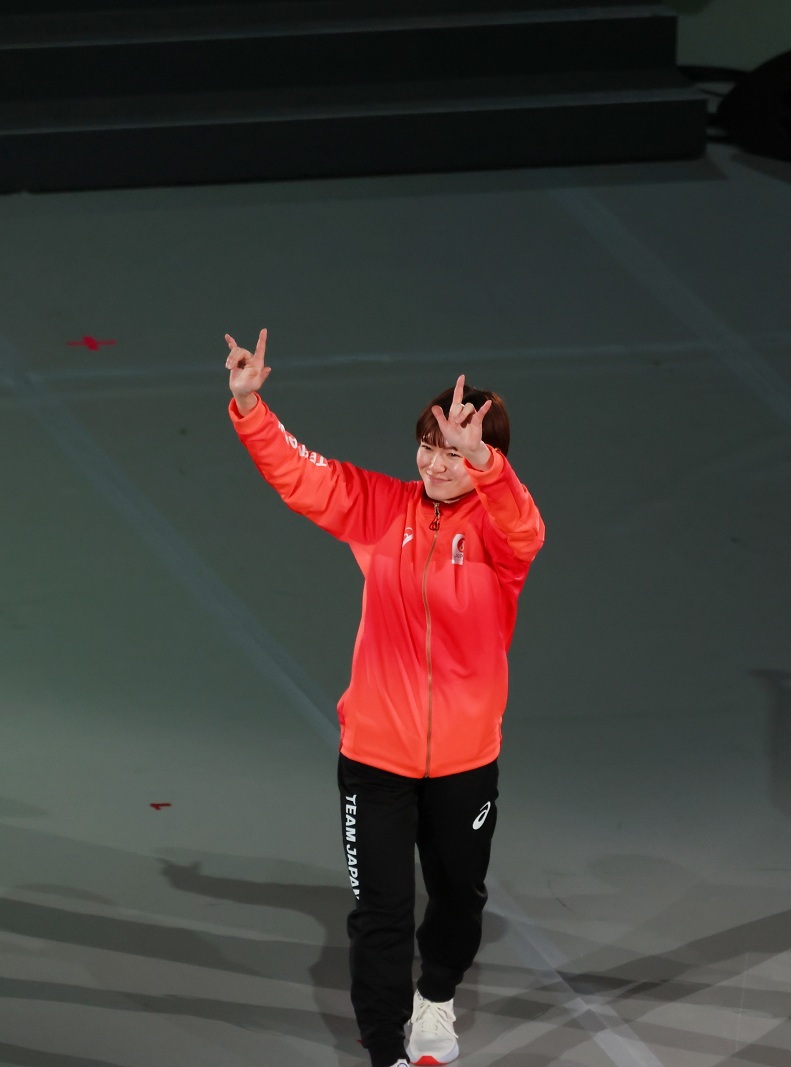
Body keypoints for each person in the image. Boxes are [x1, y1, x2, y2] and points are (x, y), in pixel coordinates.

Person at [225, 329, 546, 1067]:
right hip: (374, 755)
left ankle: (436, 997)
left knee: (460, 900)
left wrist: (484, 462)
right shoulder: (379, 508)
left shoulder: (501, 538)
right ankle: (384, 1051)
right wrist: (250, 405)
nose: (436, 462)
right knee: (382, 915)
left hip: (466, 760)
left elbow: (526, 522)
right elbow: (303, 476)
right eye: (428, 443)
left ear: (483, 458)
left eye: (454, 448)